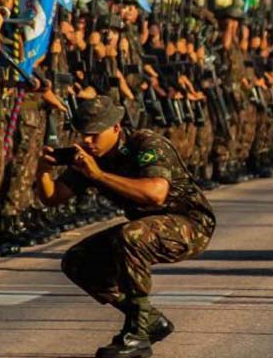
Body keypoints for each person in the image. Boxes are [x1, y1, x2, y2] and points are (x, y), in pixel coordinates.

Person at [36, 96, 216, 357]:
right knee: (77, 260)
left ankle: (137, 333)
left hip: (190, 223)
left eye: (95, 134)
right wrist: (42, 171)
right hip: (147, 227)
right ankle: (149, 320)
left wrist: (98, 175)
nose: (88, 141)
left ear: (117, 129)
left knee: (131, 236)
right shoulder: (87, 157)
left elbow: (156, 194)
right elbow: (53, 197)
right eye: (84, 134)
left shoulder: (145, 144)